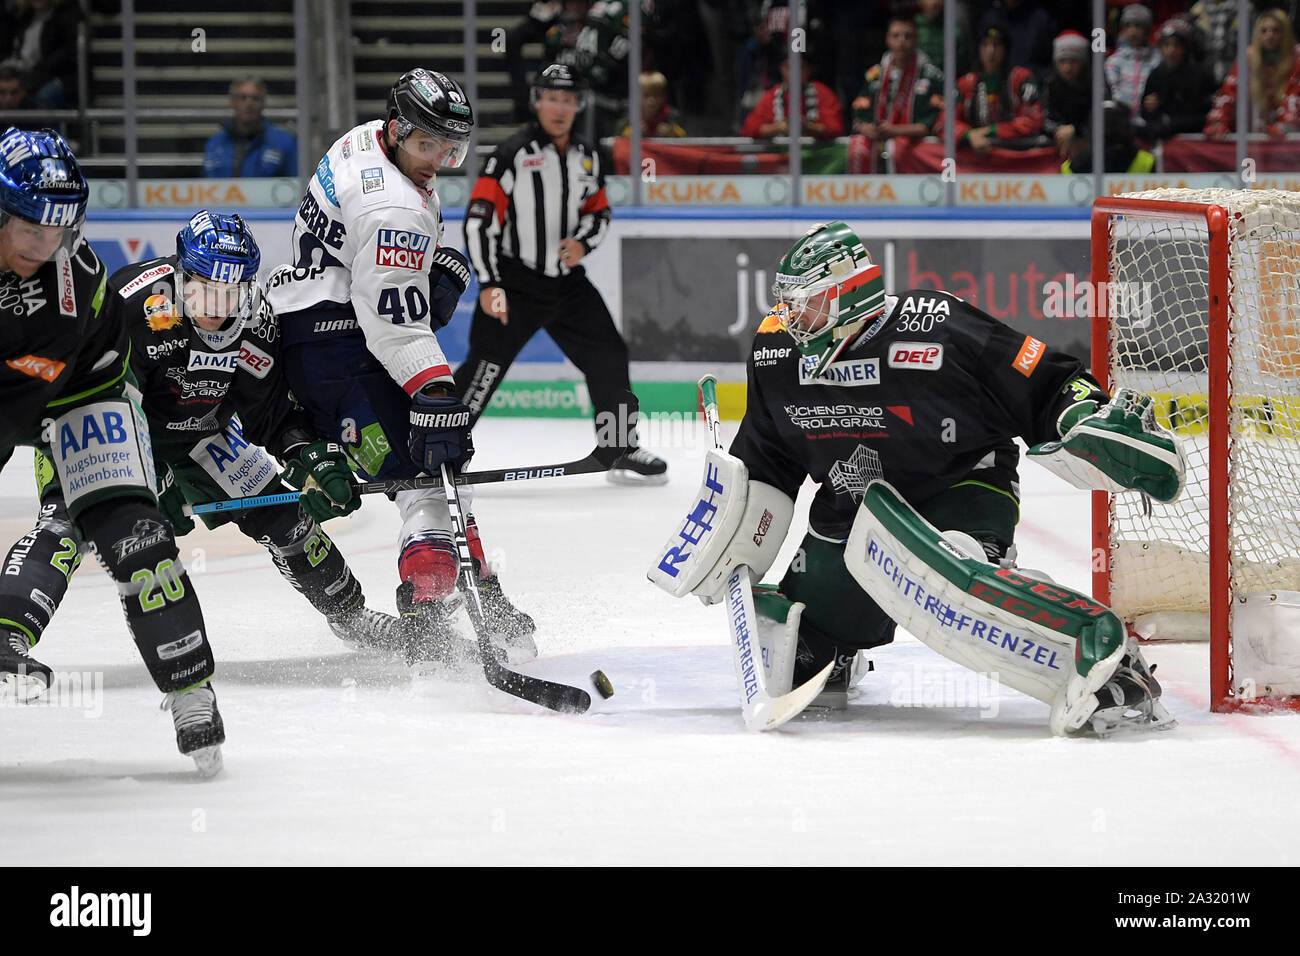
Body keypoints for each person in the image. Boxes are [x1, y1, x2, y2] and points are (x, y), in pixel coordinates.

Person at [650, 222, 1182, 736]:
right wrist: (731, 532)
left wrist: (1082, 415)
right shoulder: (778, 352)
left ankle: (1107, 656)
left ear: (848, 296)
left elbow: (1043, 382)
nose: (790, 317)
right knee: (792, 653)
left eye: (805, 302)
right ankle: (839, 646)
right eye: (787, 303)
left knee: (948, 584)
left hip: (960, 492)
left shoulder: (939, 326)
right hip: (855, 514)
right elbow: (768, 456)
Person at [0, 211, 409, 679]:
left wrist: (307, 455)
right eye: (205, 287)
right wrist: (149, 484)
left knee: (285, 516)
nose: (218, 303)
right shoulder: (135, 305)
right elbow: (104, 395)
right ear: (182, 273)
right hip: (95, 421)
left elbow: (269, 411)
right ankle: (6, 632)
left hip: (200, 435)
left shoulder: (255, 322)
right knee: (66, 524)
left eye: (232, 290)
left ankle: (351, 616)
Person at [265, 68, 537, 658]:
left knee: (439, 473)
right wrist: (435, 391)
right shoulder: (395, 209)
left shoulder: (366, 141)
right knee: (426, 483)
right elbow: (394, 321)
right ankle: (427, 620)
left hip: (316, 333)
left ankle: (481, 593)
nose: (436, 158)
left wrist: (426, 270)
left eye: (449, 146)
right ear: (398, 130)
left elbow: (374, 272)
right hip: (345, 350)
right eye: (426, 144)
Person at [0, 128, 224, 773]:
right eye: (31, 232)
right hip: (18, 381)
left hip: (81, 386)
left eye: (60, 232)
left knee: (138, 537)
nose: (47, 248)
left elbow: (64, 373)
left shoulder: (79, 281)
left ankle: (190, 688)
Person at [458, 64, 667, 485]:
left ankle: (620, 445)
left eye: (568, 100)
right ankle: (442, 450)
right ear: (538, 101)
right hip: (515, 282)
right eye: (552, 98)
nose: (560, 108)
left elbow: (599, 212)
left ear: (579, 106)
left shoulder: (587, 156)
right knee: (484, 369)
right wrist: (489, 282)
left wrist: (582, 244)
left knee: (609, 354)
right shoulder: (511, 154)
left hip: (567, 285)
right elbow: (479, 222)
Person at [944, 20, 1043, 153]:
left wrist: (989, 131)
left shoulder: (1022, 79)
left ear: (1006, 49)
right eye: (985, 45)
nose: (991, 51)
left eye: (996, 45)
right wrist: (969, 135)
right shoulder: (965, 83)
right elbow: (945, 122)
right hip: (976, 154)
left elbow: (1032, 121)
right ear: (978, 49)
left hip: (1016, 154)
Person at [851, 17, 944, 153]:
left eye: (908, 36)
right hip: (878, 145)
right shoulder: (874, 74)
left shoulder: (932, 76)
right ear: (887, 39)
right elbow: (859, 116)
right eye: (895, 36)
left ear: (916, 39)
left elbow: (935, 122)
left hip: (916, 149)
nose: (901, 41)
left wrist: (895, 131)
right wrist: (866, 128)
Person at [1204, 8, 1300, 139]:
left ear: (1286, 34)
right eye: (1264, 31)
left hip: (1289, 141)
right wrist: (1218, 123)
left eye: (1276, 30)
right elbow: (1227, 96)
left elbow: (1295, 99)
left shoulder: (1297, 60)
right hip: (1254, 138)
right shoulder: (1247, 60)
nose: (1269, 35)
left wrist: (1286, 126)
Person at [202, 77, 298, 179]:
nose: (249, 104)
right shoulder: (215, 143)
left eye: (255, 98)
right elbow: (206, 185)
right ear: (233, 102)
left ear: (263, 103)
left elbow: (298, 184)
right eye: (242, 97)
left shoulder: (284, 142)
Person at [1140, 17, 1217, 140]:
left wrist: (1172, 123)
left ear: (1186, 48)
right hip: (1164, 140)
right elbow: (1146, 113)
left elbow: (1206, 114)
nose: (1171, 50)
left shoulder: (1201, 75)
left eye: (1177, 45)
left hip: (1194, 139)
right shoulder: (1156, 74)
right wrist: (1149, 108)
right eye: (1167, 45)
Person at [0, 0, 81, 108]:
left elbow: (66, 54)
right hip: (24, 74)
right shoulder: (21, 15)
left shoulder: (68, 14)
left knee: (40, 97)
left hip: (60, 76)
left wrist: (31, 78)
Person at [1042, 29, 1108, 159]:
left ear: (1083, 63)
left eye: (1073, 61)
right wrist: (1059, 130)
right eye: (1062, 61)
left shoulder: (1097, 84)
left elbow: (1103, 117)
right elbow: (1044, 118)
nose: (1068, 68)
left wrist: (1075, 130)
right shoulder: (1050, 84)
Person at [1105, 4, 1162, 117]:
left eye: (1138, 26)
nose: (1132, 32)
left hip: (1148, 121)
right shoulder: (1114, 61)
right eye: (1128, 26)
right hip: (1121, 121)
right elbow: (1113, 93)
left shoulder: (1157, 60)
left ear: (1147, 30)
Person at [620, 71, 687, 137]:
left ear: (664, 96)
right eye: (646, 95)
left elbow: (688, 140)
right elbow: (616, 140)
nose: (651, 100)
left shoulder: (673, 118)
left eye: (657, 95)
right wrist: (631, 134)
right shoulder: (628, 118)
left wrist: (672, 134)